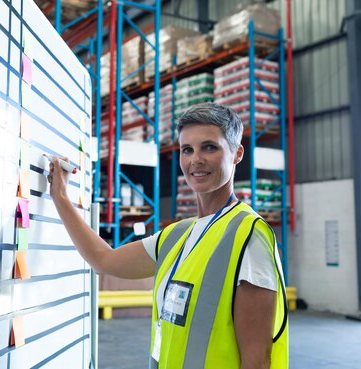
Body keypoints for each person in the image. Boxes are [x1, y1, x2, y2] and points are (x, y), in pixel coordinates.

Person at [47, 102, 288, 369]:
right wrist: (60, 197)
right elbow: (103, 259)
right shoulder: (176, 236)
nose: (196, 159)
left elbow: (257, 361)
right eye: (187, 149)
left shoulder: (249, 236)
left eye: (210, 147)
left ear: (237, 153)